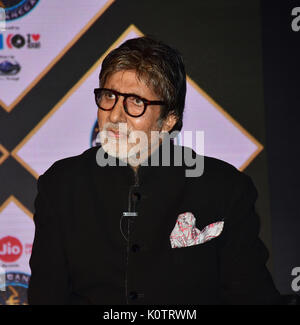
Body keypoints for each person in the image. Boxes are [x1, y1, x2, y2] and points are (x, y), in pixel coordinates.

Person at [27, 36, 282, 305]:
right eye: (109, 96)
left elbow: (251, 295)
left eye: (136, 102)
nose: (114, 116)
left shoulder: (224, 188)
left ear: (168, 120)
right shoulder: (62, 184)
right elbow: (47, 296)